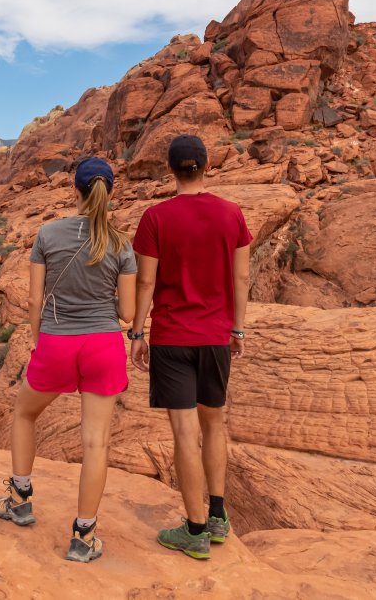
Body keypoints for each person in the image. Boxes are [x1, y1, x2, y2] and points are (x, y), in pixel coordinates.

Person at [0, 156, 137, 564]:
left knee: (24, 414)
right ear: (110, 192)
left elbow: (36, 299)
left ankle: (20, 500)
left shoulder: (47, 233)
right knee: (96, 443)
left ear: (75, 190)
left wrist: (40, 339)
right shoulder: (120, 243)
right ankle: (83, 536)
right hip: (103, 347)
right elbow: (126, 313)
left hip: (57, 343)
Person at [129, 134, 253, 560]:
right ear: (206, 166)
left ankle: (195, 530)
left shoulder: (155, 217)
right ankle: (217, 518)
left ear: (170, 170)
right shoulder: (231, 214)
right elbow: (240, 279)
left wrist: (137, 333)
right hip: (216, 337)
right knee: (213, 425)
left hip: (172, 337)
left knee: (184, 433)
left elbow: (145, 281)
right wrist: (238, 329)